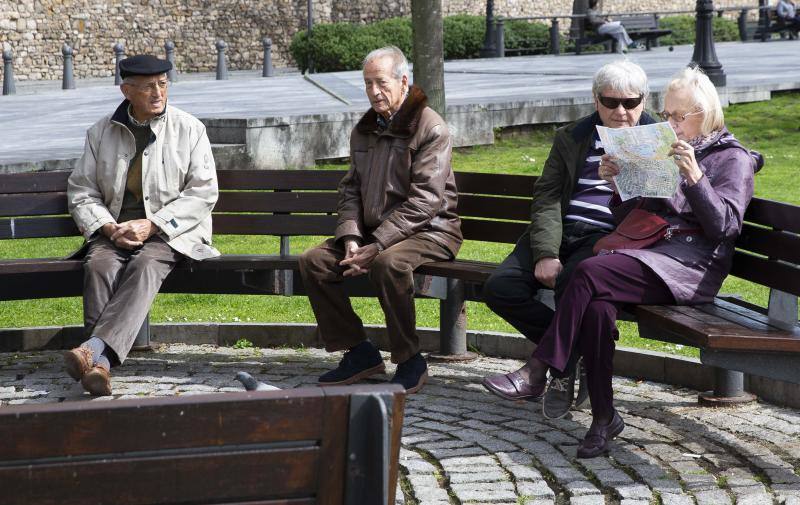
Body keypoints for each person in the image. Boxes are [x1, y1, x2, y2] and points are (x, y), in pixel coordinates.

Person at [491, 66, 761, 458]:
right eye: (666, 114)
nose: (668, 123)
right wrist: (619, 182)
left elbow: (723, 228)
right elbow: (638, 216)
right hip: (652, 254)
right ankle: (604, 420)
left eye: (676, 116)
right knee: (598, 309)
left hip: (687, 269)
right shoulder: (672, 146)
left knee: (587, 271)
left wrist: (695, 178)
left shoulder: (731, 158)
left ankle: (541, 367)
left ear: (703, 112)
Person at [481, 60, 655, 420]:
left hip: (607, 239)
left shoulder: (657, 139)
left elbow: (659, 205)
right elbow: (546, 197)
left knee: (572, 285)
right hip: (561, 230)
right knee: (500, 287)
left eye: (630, 103)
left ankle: (548, 371)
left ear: (643, 100)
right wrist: (545, 252)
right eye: (610, 103)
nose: (620, 112)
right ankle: (580, 350)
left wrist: (623, 179)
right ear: (595, 100)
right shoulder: (572, 137)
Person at [299, 46, 462, 394]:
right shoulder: (365, 129)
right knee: (314, 261)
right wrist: (352, 239)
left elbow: (425, 202)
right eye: (368, 83)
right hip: (375, 234)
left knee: (388, 264)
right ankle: (360, 352)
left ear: (403, 81)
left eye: (382, 83)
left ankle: (410, 360)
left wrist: (377, 245)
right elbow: (351, 190)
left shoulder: (431, 127)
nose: (374, 91)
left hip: (431, 231)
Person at [65, 55, 219, 396]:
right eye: (148, 87)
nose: (158, 93)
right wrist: (106, 227)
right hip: (115, 231)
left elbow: (203, 192)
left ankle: (95, 355)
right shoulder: (100, 132)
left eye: (163, 84)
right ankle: (101, 366)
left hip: (170, 233)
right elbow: (82, 190)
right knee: (99, 263)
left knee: (147, 264)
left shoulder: (190, 129)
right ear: (126, 90)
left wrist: (153, 225)